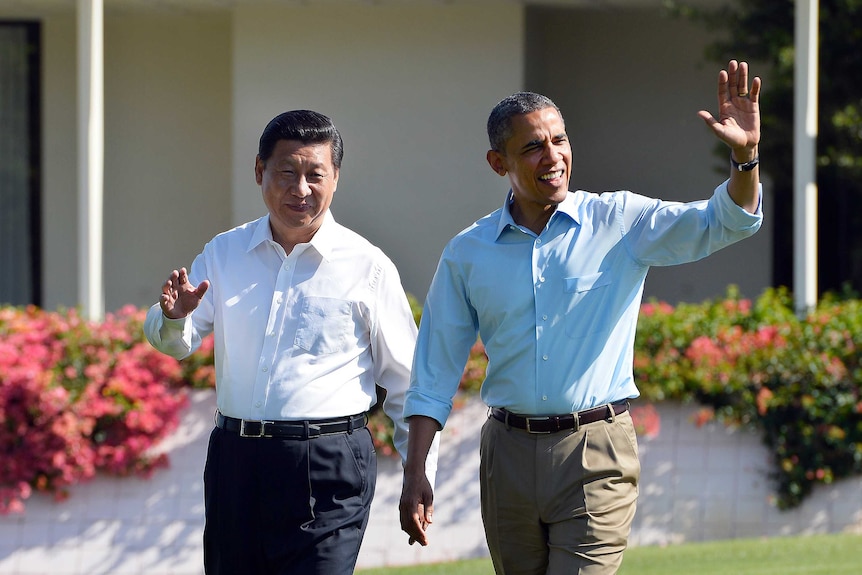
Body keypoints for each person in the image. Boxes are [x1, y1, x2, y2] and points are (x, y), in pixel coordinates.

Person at [399, 60, 763, 574]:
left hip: (596, 455)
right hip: (506, 457)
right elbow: (434, 372)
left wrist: (745, 158)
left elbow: (724, 223)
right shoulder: (467, 253)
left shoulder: (620, 220)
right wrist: (416, 470)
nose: (553, 156)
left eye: (560, 140)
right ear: (497, 162)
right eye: (533, 146)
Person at [143, 109, 436, 575]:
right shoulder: (224, 253)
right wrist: (173, 318)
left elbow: (408, 381)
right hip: (236, 463)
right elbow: (175, 343)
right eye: (286, 173)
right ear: (260, 172)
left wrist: (418, 472)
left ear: (335, 178)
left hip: (328, 466)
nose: (301, 189)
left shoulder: (368, 265)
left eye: (315, 175)